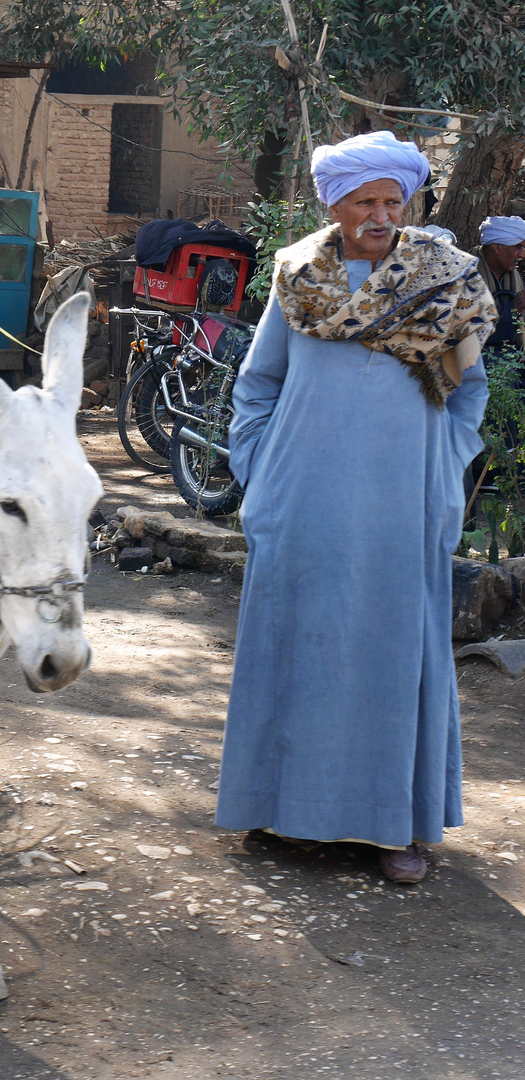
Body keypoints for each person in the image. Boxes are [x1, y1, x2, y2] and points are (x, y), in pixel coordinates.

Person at [216, 130, 497, 884]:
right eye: (363, 201)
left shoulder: (448, 281)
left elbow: (469, 392)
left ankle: (393, 831)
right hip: (302, 502)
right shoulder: (297, 275)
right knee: (298, 652)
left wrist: (442, 472)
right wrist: (259, 472)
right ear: (332, 205)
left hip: (403, 507)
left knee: (389, 657)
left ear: (407, 200)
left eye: (390, 200)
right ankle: (287, 812)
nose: (379, 214)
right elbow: (258, 383)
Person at [477, 215, 525, 358]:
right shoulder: (465, 275)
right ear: (497, 247)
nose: (522, 254)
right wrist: (513, 308)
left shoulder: (513, 276)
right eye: (518, 247)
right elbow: (467, 327)